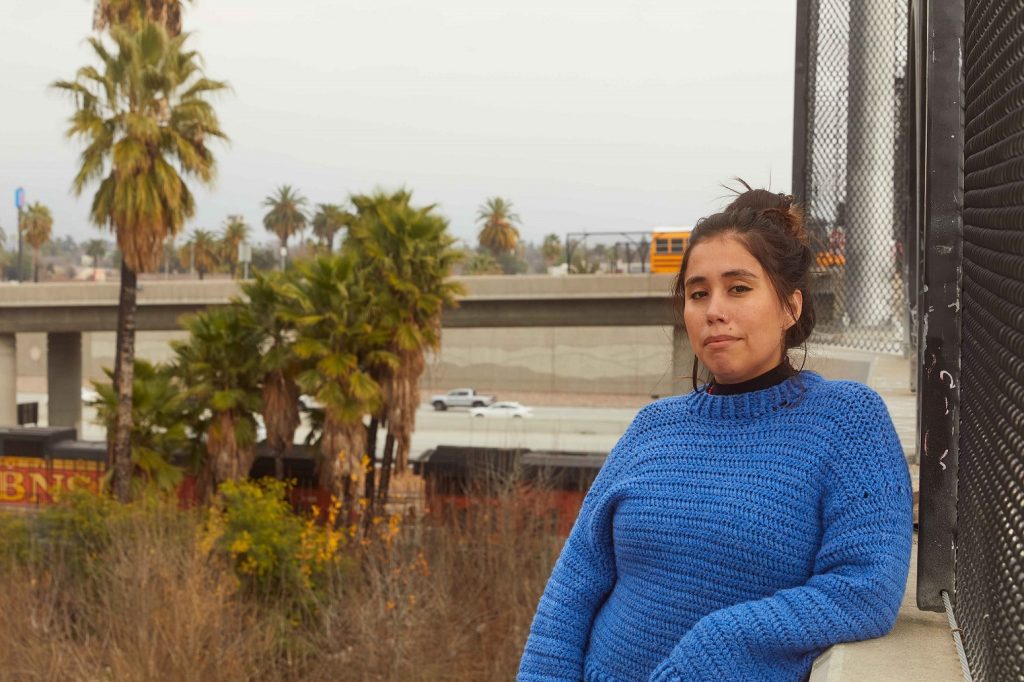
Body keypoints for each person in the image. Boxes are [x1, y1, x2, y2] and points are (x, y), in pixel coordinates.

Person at [516, 184, 913, 681]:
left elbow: (865, 587)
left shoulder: (847, 420)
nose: (713, 310)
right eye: (698, 293)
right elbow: (574, 587)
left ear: (790, 307)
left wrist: (719, 644)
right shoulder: (653, 426)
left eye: (738, 288)